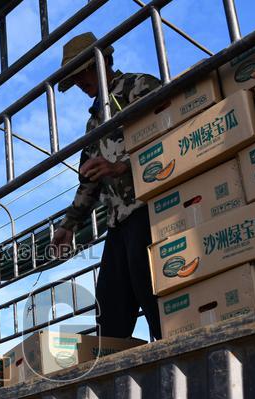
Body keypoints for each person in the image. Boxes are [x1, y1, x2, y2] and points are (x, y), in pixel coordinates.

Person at [51, 32, 162, 340]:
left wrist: (122, 165)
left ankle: (178, 366)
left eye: (81, 72)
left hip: (150, 208)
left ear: (101, 62)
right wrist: (69, 226)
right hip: (118, 223)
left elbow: (167, 132)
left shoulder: (138, 87)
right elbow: (89, 180)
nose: (78, 82)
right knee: (110, 313)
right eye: (73, 79)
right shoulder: (93, 123)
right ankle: (113, 378)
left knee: (155, 297)